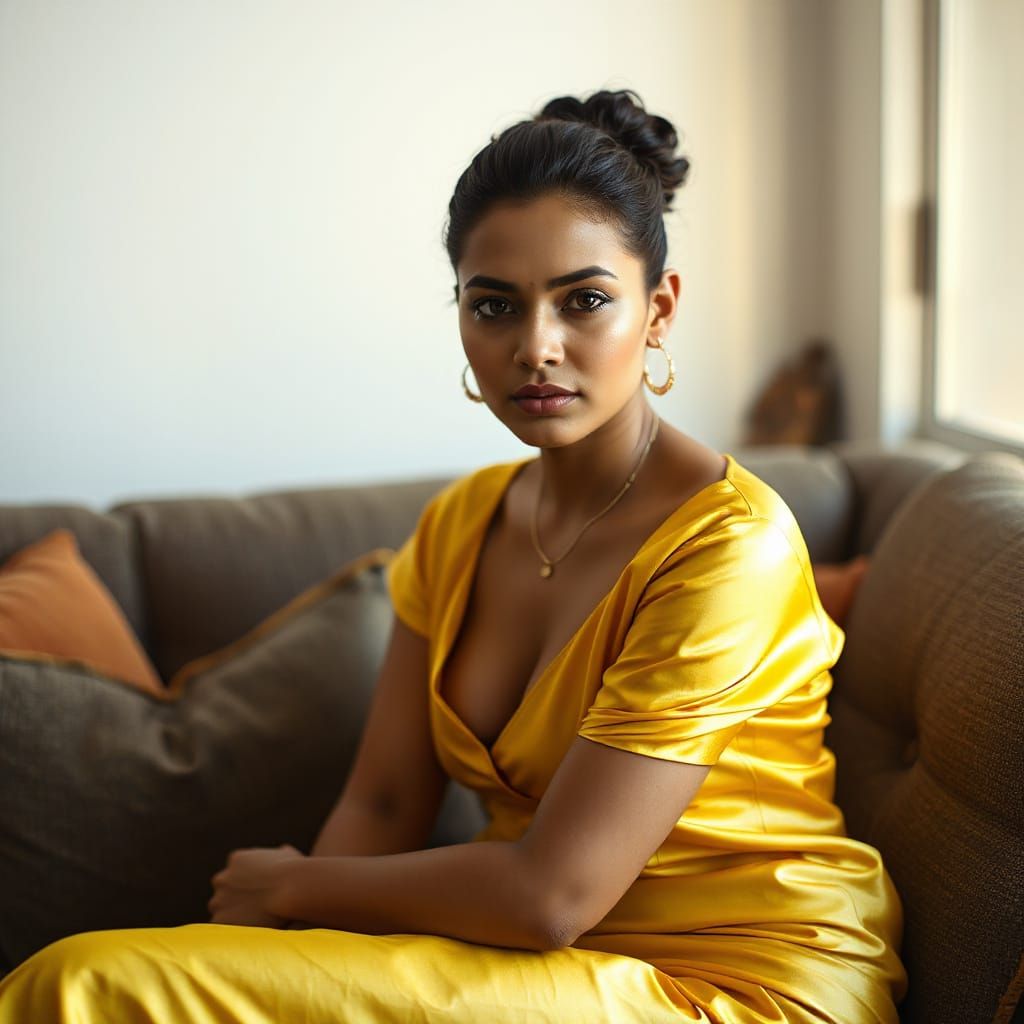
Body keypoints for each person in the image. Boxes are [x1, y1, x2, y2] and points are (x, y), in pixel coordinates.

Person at [0, 88, 907, 1023]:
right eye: (495, 306)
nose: (535, 348)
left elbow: (552, 895)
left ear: (660, 309)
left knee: (80, 986)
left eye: (584, 301)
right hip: (526, 969)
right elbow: (385, 807)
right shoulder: (462, 521)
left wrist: (295, 891)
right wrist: (280, 963)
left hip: (740, 984)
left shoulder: (729, 548)